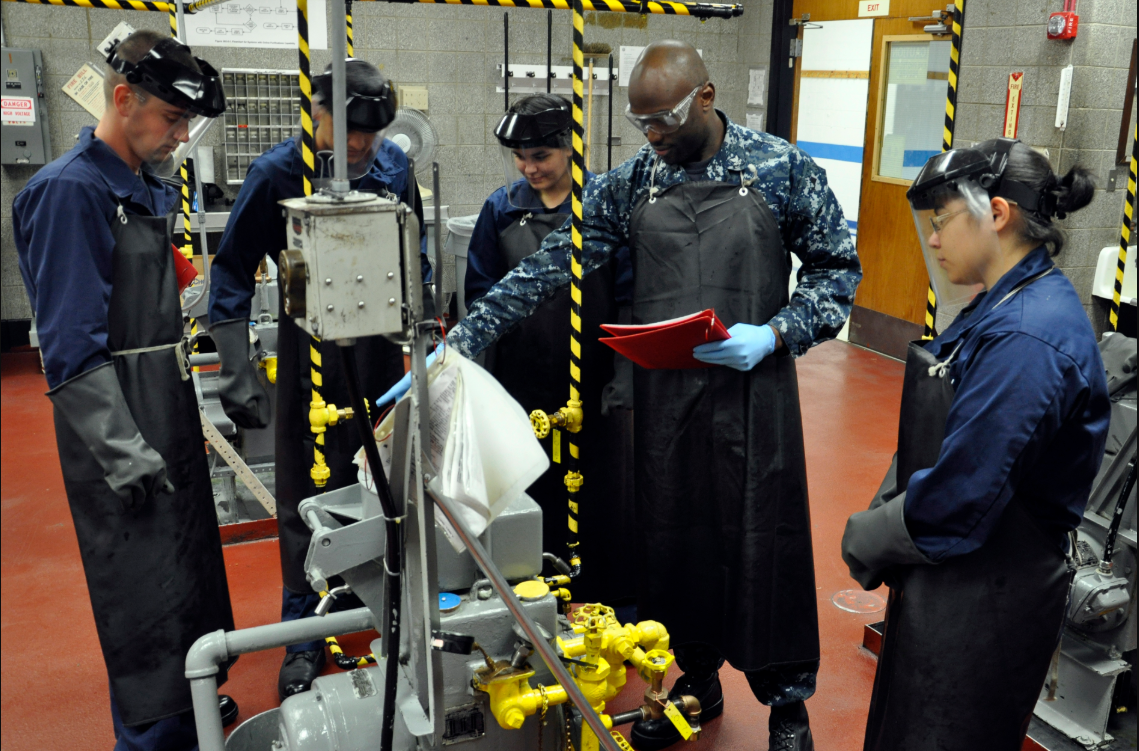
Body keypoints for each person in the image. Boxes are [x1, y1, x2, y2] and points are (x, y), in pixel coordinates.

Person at [419, 40, 861, 750]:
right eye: (641, 123)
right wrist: (461, 341)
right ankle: (696, 674)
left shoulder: (780, 168)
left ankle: (786, 703)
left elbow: (837, 272)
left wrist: (776, 333)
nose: (653, 136)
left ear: (707, 97)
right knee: (674, 539)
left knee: (762, 540)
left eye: (665, 120)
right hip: (666, 403)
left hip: (755, 395)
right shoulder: (631, 184)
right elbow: (549, 266)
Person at [841, 139, 1110, 751]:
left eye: (942, 222)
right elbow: (945, 430)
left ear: (996, 214)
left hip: (989, 598)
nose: (933, 240)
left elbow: (965, 490)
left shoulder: (1029, 336)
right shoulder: (1004, 302)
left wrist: (873, 535)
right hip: (949, 577)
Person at [13, 30, 238, 750]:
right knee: (144, 603)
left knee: (185, 585)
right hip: (120, 432)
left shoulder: (138, 181)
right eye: (171, 119)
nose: (178, 137)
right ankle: (152, 736)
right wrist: (123, 452)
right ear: (122, 98)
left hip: (162, 411)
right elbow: (71, 351)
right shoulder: (69, 192)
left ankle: (189, 704)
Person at [208, 57, 432, 702]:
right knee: (309, 492)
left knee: (391, 486)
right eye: (349, 130)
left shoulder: (394, 167)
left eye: (373, 132)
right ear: (318, 112)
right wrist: (234, 361)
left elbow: (413, 251)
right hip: (312, 353)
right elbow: (231, 269)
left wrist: (425, 333)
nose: (361, 145)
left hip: (384, 353)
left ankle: (394, 613)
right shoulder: (280, 170)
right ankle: (303, 637)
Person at [465, 93, 636, 608]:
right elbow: (480, 294)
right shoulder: (501, 208)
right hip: (522, 378)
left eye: (540, 155)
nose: (528, 167)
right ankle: (531, 595)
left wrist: (624, 376)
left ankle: (609, 596)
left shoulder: (603, 209)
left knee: (601, 491)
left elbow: (630, 299)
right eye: (520, 157)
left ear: (569, 149)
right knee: (529, 487)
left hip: (594, 377)